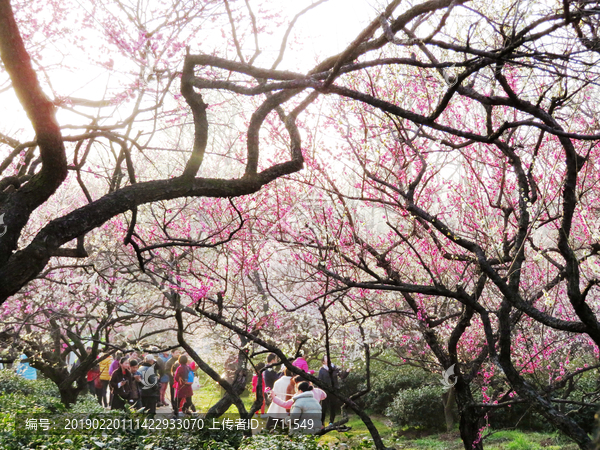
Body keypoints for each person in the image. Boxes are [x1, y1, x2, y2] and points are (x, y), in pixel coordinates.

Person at [318, 356, 350, 426]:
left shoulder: (335, 369)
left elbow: (342, 376)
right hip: (325, 391)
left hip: (334, 390)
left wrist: (347, 371)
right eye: (326, 358)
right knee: (324, 407)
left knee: (333, 406)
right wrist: (320, 391)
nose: (328, 358)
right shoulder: (322, 370)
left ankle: (331, 422)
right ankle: (321, 423)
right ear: (323, 361)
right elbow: (319, 381)